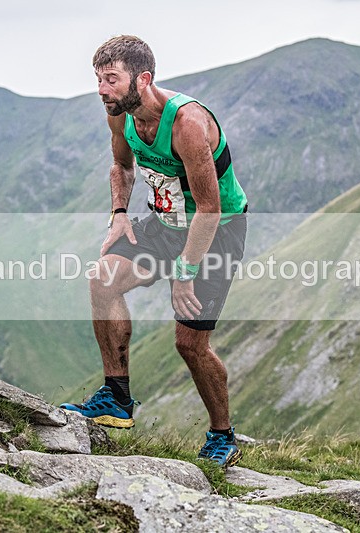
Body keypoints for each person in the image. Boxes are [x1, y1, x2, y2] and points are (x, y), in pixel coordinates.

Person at [60, 35, 248, 467]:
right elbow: (123, 166)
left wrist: (184, 271)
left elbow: (209, 209)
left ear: (142, 79)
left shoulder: (187, 124)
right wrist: (120, 212)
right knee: (103, 280)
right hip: (164, 224)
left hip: (215, 231)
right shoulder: (120, 116)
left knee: (190, 344)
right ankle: (116, 397)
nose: (102, 90)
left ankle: (223, 436)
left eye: (111, 79)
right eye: (98, 79)